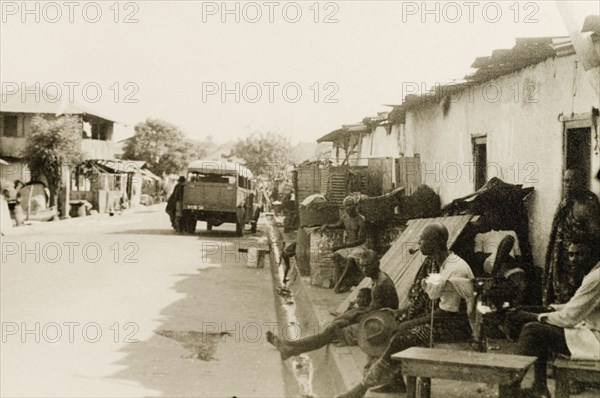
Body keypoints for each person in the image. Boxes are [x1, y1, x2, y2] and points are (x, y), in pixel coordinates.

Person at [337, 223, 475, 398]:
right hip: (437, 319)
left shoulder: (455, 269)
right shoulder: (434, 262)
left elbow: (446, 312)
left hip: (453, 326)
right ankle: (395, 383)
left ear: (435, 242)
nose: (419, 243)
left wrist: (410, 322)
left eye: (423, 240)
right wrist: (400, 312)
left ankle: (362, 387)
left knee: (402, 336)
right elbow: (423, 299)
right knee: (388, 326)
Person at [266, 249, 398, 360]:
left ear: (377, 264)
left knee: (332, 329)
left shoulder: (381, 284)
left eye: (368, 266)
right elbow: (371, 310)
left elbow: (370, 315)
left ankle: (290, 347)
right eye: (362, 266)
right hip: (377, 319)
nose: (364, 269)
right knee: (338, 324)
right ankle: (290, 347)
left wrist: (348, 319)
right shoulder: (377, 279)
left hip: (381, 327)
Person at [514, 259, 600, 398]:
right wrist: (546, 309)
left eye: (578, 255)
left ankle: (510, 388)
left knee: (533, 331)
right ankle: (539, 387)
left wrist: (533, 316)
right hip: (592, 331)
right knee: (541, 330)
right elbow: (577, 305)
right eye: (570, 255)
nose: (572, 260)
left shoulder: (597, 277)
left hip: (596, 340)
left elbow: (570, 317)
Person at [544, 169, 600, 306]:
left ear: (582, 182)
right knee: (560, 300)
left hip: (579, 263)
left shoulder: (588, 205)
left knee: (578, 301)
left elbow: (596, 235)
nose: (568, 184)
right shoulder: (566, 203)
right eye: (565, 181)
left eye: (572, 181)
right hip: (562, 262)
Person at [322, 195, 367, 293]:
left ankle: (340, 284)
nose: (348, 208)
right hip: (348, 246)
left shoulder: (361, 220)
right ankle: (341, 283)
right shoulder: (345, 217)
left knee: (351, 259)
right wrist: (327, 226)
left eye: (350, 205)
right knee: (335, 256)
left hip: (359, 247)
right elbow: (337, 225)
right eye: (346, 206)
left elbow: (360, 240)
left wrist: (342, 246)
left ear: (356, 206)